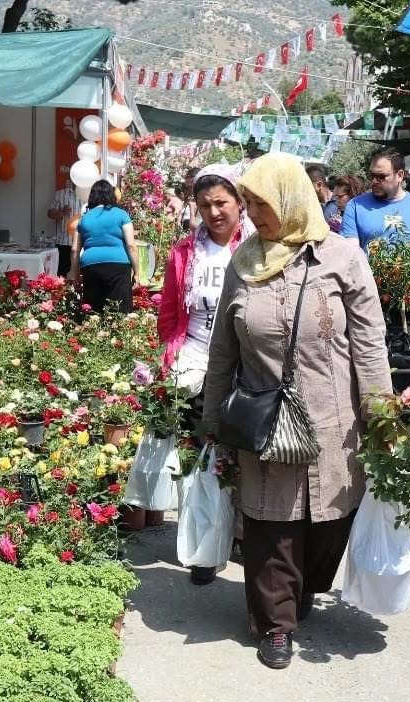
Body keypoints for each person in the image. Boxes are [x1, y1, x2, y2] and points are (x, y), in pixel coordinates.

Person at [201, 153, 392, 670]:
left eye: (262, 203)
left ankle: (303, 588)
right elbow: (223, 349)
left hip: (334, 418)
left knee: (329, 520)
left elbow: (369, 344)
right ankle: (274, 623)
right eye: (250, 203)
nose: (253, 214)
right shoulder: (244, 263)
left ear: (291, 200)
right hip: (265, 419)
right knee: (271, 523)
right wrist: (212, 421)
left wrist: (381, 414)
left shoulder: (343, 258)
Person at [160, 164, 253, 586]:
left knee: (242, 453)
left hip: (246, 368)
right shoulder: (184, 252)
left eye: (221, 203)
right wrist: (170, 355)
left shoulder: (256, 248)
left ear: (239, 202)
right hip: (196, 365)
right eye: (204, 205)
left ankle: (239, 534)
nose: (214, 212)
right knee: (199, 453)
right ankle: (203, 546)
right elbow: (169, 312)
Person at [340, 148, 410, 274]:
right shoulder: (355, 206)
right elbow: (351, 252)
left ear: (400, 175)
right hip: (368, 284)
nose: (374, 181)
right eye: (371, 176)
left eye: (381, 176)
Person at [69, 180, 138, 314]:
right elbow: (131, 245)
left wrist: (74, 273)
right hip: (119, 265)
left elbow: (75, 249)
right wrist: (137, 272)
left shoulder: (84, 219)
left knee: (93, 310)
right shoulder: (121, 214)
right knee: (120, 310)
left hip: (91, 265)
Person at [47, 183, 79, 276]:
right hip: (64, 242)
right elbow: (50, 214)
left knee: (83, 276)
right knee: (62, 275)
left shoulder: (91, 194)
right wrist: (61, 212)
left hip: (84, 243)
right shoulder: (61, 194)